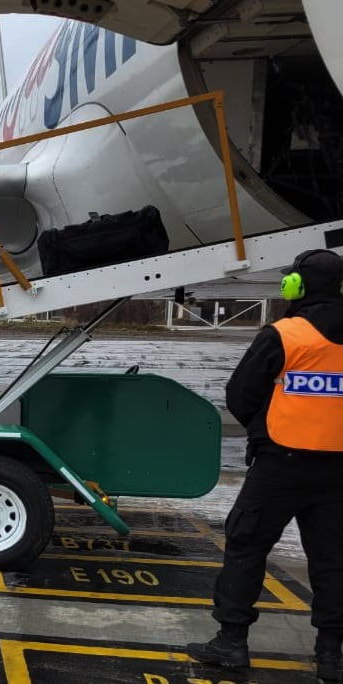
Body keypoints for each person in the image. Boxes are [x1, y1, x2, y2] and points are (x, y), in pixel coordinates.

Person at [187, 249, 343, 681]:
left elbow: (240, 395)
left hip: (281, 462)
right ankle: (331, 656)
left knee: (246, 546)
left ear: (295, 287)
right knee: (333, 561)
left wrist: (263, 429)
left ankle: (231, 642)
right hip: (338, 470)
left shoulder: (286, 334)